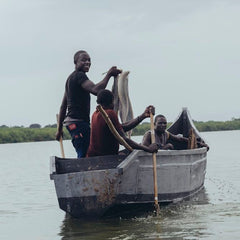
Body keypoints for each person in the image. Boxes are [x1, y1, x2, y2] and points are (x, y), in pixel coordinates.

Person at [56, 50, 122, 158]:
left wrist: (59, 130)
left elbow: (63, 106)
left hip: (73, 124)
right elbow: (96, 90)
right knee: (85, 154)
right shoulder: (79, 76)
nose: (87, 62)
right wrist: (109, 75)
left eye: (89, 60)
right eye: (83, 60)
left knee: (87, 152)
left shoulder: (70, 79)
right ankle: (82, 174)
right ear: (75, 62)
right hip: (78, 123)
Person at [87, 89, 159, 157]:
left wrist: (143, 116)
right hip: (105, 157)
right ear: (112, 101)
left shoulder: (95, 113)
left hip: (93, 155)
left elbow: (122, 127)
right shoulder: (110, 113)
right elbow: (123, 139)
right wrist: (148, 149)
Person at [142, 114, 209, 150]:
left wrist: (199, 143)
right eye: (160, 123)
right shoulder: (150, 135)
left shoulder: (166, 134)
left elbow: (179, 139)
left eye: (165, 123)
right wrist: (165, 147)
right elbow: (144, 150)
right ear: (154, 124)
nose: (163, 125)